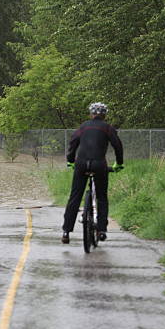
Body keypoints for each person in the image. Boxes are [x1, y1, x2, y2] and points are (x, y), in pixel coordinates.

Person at [62, 102, 123, 244]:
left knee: (75, 197)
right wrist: (119, 163)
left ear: (91, 114)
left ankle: (66, 231)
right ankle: (101, 230)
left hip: (81, 164)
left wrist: (70, 160)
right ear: (104, 115)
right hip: (99, 164)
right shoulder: (108, 128)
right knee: (101, 197)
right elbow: (117, 146)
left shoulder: (83, 127)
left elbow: (73, 143)